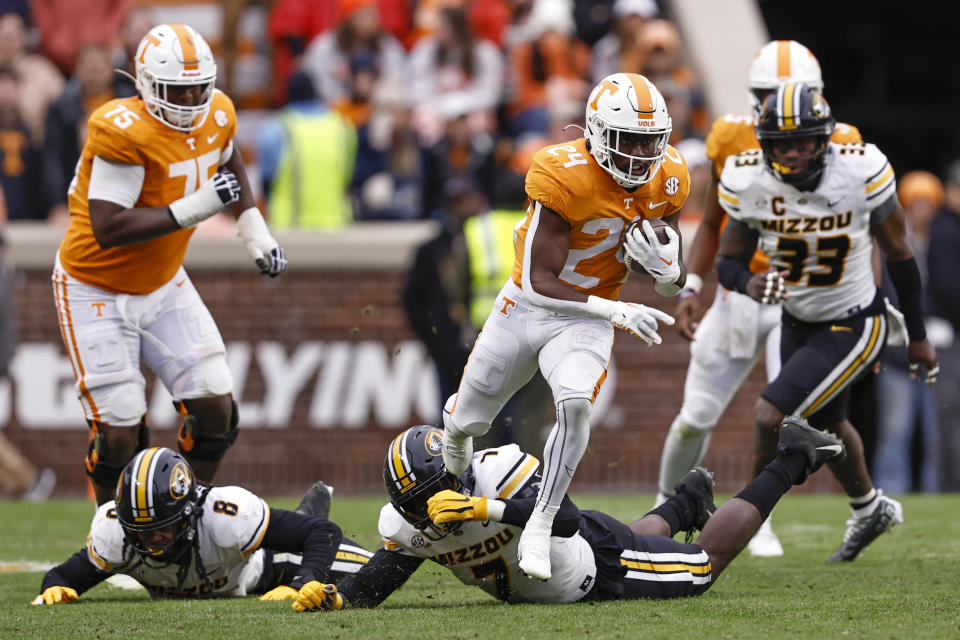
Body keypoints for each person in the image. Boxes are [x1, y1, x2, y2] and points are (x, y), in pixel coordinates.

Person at [441, 72, 687, 581]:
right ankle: (449, 474)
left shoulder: (670, 177)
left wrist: (667, 276)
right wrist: (615, 310)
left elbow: (668, 274)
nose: (641, 154)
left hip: (584, 322)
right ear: (596, 134)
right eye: (628, 140)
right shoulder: (561, 171)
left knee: (575, 406)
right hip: (529, 308)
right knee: (467, 421)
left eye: (650, 140)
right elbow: (537, 282)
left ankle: (541, 521)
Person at [52, 23, 288, 506]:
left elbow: (228, 159)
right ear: (145, 84)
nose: (191, 98)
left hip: (161, 282)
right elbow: (109, 227)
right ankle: (113, 537)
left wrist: (252, 228)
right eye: (177, 89)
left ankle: (186, 519)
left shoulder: (217, 111)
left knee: (215, 405)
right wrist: (197, 208)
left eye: (199, 86)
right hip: (94, 285)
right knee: (119, 426)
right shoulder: (122, 130)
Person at [655, 40, 864, 557]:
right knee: (696, 415)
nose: (786, 108)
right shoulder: (731, 137)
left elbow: (865, 231)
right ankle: (663, 506)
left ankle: (756, 516)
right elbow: (713, 222)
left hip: (805, 299)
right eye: (772, 96)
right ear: (754, 98)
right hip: (741, 291)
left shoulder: (846, 145)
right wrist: (696, 287)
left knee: (782, 414)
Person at [285, 418, 844, 610]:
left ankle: (794, 456)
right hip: (571, 556)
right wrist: (334, 596)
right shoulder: (407, 523)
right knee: (642, 534)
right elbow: (381, 579)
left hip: (596, 568)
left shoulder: (498, 470)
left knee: (702, 566)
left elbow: (568, 518)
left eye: (435, 496)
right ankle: (686, 503)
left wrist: (487, 507)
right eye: (414, 507)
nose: (429, 514)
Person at [715, 82, 938, 562]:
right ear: (765, 145)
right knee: (831, 420)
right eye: (782, 144)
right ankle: (869, 507)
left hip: (858, 320)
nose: (794, 154)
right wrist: (749, 284)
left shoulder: (859, 169)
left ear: (824, 139)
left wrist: (916, 336)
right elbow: (727, 262)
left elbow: (899, 253)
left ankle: (747, 523)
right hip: (799, 319)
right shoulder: (748, 179)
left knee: (771, 417)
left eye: (804, 142)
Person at [31, 447, 372, 603]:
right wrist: (54, 588)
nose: (154, 541)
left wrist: (302, 582)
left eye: (164, 527)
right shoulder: (115, 534)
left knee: (372, 571)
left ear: (189, 511)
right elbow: (62, 576)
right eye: (141, 531)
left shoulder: (226, 516)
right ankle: (307, 507)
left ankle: (311, 505)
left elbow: (323, 533)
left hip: (262, 567)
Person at [872, 171, 942, 493]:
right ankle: (890, 491)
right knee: (894, 429)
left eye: (926, 204)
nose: (920, 211)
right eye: (915, 204)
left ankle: (933, 490)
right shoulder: (890, 242)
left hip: (938, 348)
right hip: (898, 350)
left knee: (934, 430)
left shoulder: (943, 243)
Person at [255, 71, 356, 229]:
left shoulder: (275, 128)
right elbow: (347, 178)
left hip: (289, 230)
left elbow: (266, 181)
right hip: (336, 228)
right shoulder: (342, 127)